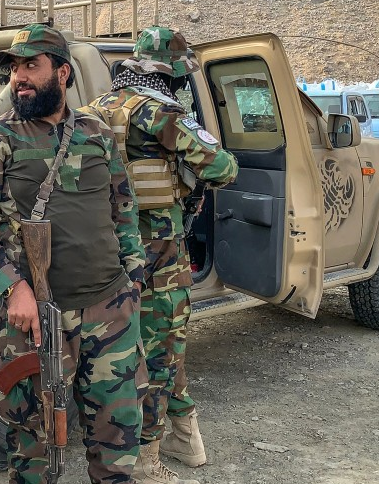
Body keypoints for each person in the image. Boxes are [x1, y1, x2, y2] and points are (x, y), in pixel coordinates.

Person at [0, 24, 147, 484]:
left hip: (110, 310)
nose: (18, 78)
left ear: (62, 73)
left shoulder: (97, 133)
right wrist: (14, 289)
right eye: (14, 69)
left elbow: (123, 208)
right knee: (34, 442)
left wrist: (134, 279)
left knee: (117, 437)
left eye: (31, 66)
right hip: (39, 319)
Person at [85, 26, 238, 483]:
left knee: (146, 345)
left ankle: (185, 435)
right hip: (158, 254)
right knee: (160, 350)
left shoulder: (92, 111)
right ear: (170, 73)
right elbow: (222, 167)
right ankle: (147, 459)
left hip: (108, 250)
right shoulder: (159, 112)